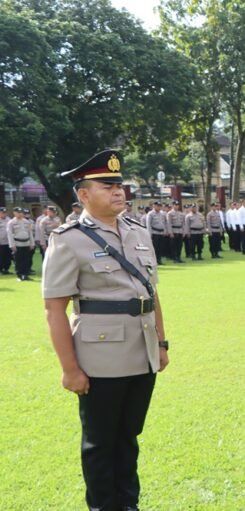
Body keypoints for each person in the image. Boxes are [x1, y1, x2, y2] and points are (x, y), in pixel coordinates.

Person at [42, 149, 169, 511]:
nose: (118, 192)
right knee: (100, 443)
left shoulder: (137, 231)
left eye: (119, 185)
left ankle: (128, 504)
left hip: (142, 352)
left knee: (129, 437)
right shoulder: (68, 239)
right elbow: (54, 309)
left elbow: (150, 293)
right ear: (83, 194)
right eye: (107, 186)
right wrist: (69, 369)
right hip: (100, 358)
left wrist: (161, 343)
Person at [7, 206, 35, 281]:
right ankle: (19, 275)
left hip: (26, 243)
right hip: (17, 243)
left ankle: (25, 274)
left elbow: (30, 233)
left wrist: (32, 243)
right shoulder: (11, 223)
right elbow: (9, 234)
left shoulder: (27, 222)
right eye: (18, 212)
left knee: (26, 260)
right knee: (19, 260)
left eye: (21, 212)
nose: (20, 214)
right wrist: (12, 245)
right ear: (14, 213)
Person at [0, 207, 11, 275]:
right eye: (2, 213)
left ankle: (6, 269)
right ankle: (1, 269)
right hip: (1, 242)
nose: (4, 214)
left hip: (8, 242)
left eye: (5, 213)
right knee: (1, 257)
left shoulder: (9, 220)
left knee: (8, 257)